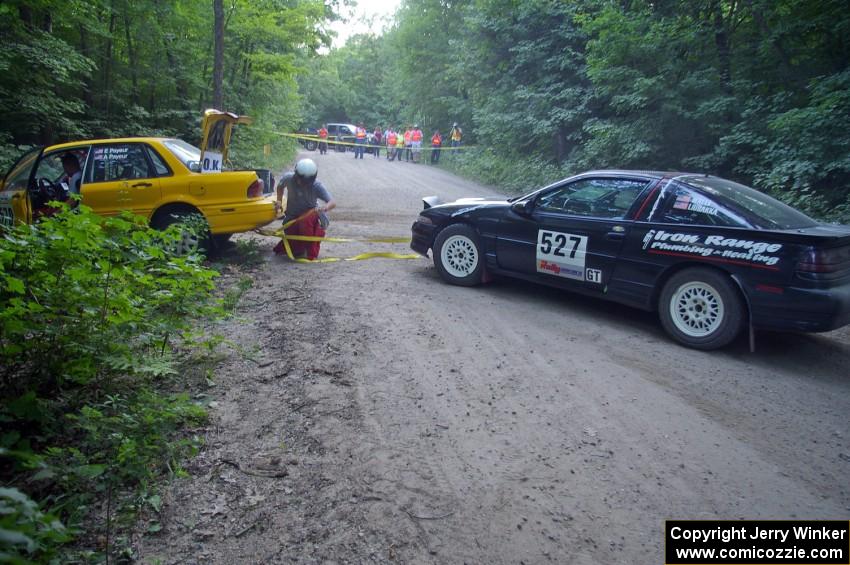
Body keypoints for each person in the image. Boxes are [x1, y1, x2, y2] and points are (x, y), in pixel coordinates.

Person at [274, 158, 336, 260]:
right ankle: (299, 248)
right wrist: (279, 201)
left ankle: (310, 251)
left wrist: (324, 208)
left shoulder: (316, 186)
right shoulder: (288, 178)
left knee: (304, 222)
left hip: (310, 217)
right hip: (292, 217)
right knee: (292, 238)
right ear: (296, 174)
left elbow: (332, 202)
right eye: (301, 181)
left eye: (307, 182)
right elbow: (280, 187)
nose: (303, 184)